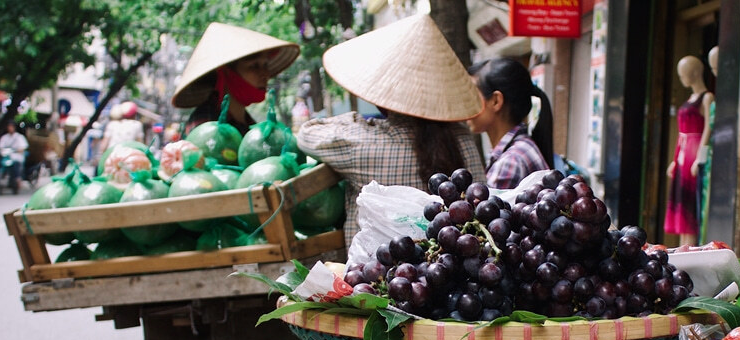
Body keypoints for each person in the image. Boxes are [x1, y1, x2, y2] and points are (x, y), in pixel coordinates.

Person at [296, 14, 486, 245]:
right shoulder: (464, 140)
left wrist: (357, 120)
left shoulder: (363, 141)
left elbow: (306, 134)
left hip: (376, 277)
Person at [171, 23, 300, 135]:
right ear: (226, 73)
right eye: (254, 66)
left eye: (265, 65)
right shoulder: (205, 122)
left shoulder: (248, 123)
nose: (265, 74)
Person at [465, 57, 553, 189]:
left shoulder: (510, 162)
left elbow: (487, 208)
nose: (464, 105)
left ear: (496, 101)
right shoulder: (519, 149)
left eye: (471, 97)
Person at [664, 56, 711, 246]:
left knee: (690, 203)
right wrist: (675, 160)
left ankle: (690, 247)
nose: (682, 77)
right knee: (681, 202)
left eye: (684, 73)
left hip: (693, 154)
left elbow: (709, 126)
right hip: (683, 154)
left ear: (696, 72)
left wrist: (700, 157)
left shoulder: (707, 98)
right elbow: (681, 132)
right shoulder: (690, 98)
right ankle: (684, 246)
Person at [695, 47, 718, 243]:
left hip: (716, 155)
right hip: (708, 156)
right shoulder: (714, 99)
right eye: (712, 66)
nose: (715, 69)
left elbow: (707, 129)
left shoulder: (711, 98)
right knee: (704, 205)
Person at [0, 120, 28, 188]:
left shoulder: (19, 137)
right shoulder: (4, 137)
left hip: (16, 156)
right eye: (9, 127)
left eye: (11, 127)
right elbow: (1, 147)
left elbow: (23, 147)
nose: (10, 128)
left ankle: (18, 178)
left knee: (16, 165)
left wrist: (18, 150)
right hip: (7, 156)